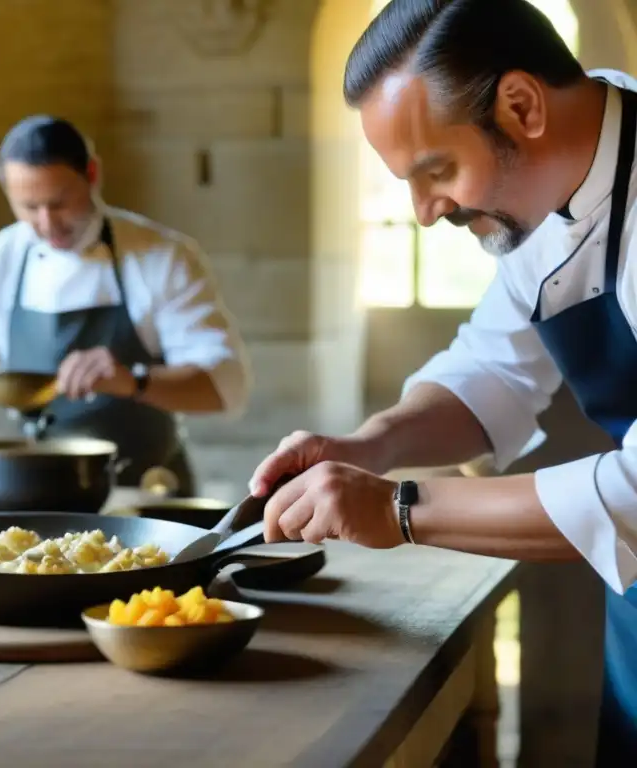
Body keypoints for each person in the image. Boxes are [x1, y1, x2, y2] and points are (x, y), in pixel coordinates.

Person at [247, 1, 637, 763]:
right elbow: (493, 366)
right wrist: (370, 444)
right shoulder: (553, 180)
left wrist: (397, 509)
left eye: (437, 171)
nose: (425, 213)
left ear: (521, 106)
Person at [0, 115, 250, 496]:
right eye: (29, 207)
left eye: (59, 202)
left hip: (149, 493)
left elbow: (227, 386)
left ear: (92, 173)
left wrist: (132, 380)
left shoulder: (162, 257)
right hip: (37, 494)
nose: (47, 222)